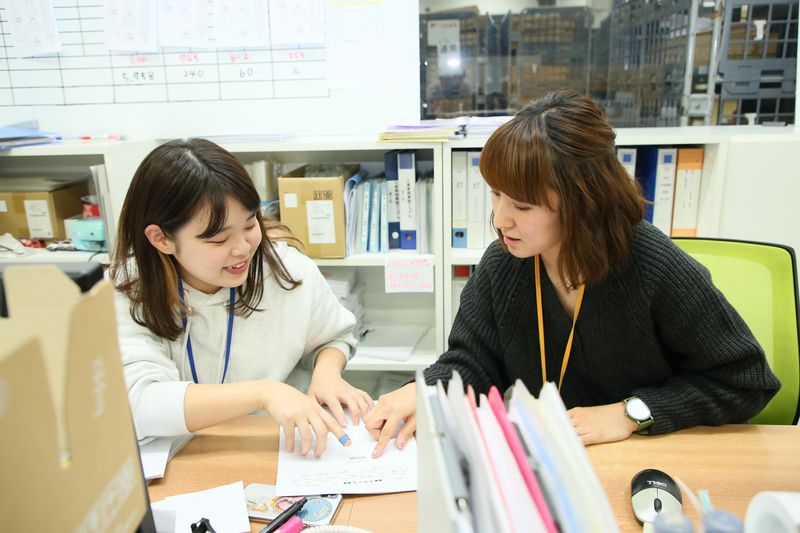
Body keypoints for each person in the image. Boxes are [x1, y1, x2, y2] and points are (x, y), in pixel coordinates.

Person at [365, 90, 781, 457]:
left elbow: (746, 382)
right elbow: (474, 361)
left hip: (649, 456)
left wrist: (632, 413)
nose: (501, 219)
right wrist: (426, 390)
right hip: (559, 456)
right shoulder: (504, 264)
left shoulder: (651, 264)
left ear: (583, 201)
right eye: (495, 194)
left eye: (522, 206)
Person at [111, 138, 372, 458]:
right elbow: (138, 404)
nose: (243, 249)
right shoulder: (128, 291)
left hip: (274, 451)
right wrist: (265, 393)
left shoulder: (286, 270)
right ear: (161, 238)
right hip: (185, 458)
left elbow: (333, 336)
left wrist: (327, 374)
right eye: (218, 239)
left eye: (250, 225)